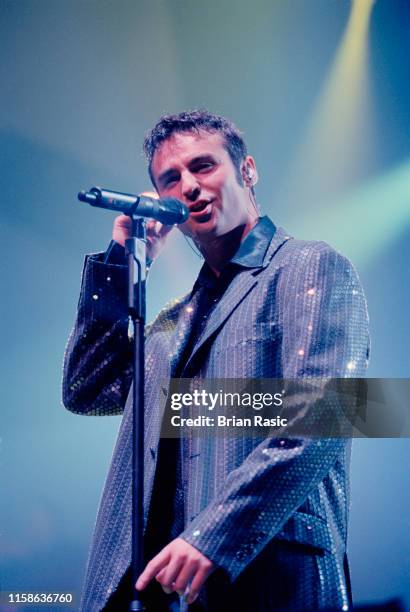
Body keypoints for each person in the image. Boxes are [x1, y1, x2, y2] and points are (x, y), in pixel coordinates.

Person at [63, 110, 370, 611]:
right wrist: (121, 263)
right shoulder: (168, 323)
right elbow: (85, 390)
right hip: (154, 589)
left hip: (265, 576)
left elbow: (327, 415)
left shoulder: (308, 265)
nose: (189, 186)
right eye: (171, 179)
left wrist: (214, 534)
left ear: (247, 171)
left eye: (203, 166)